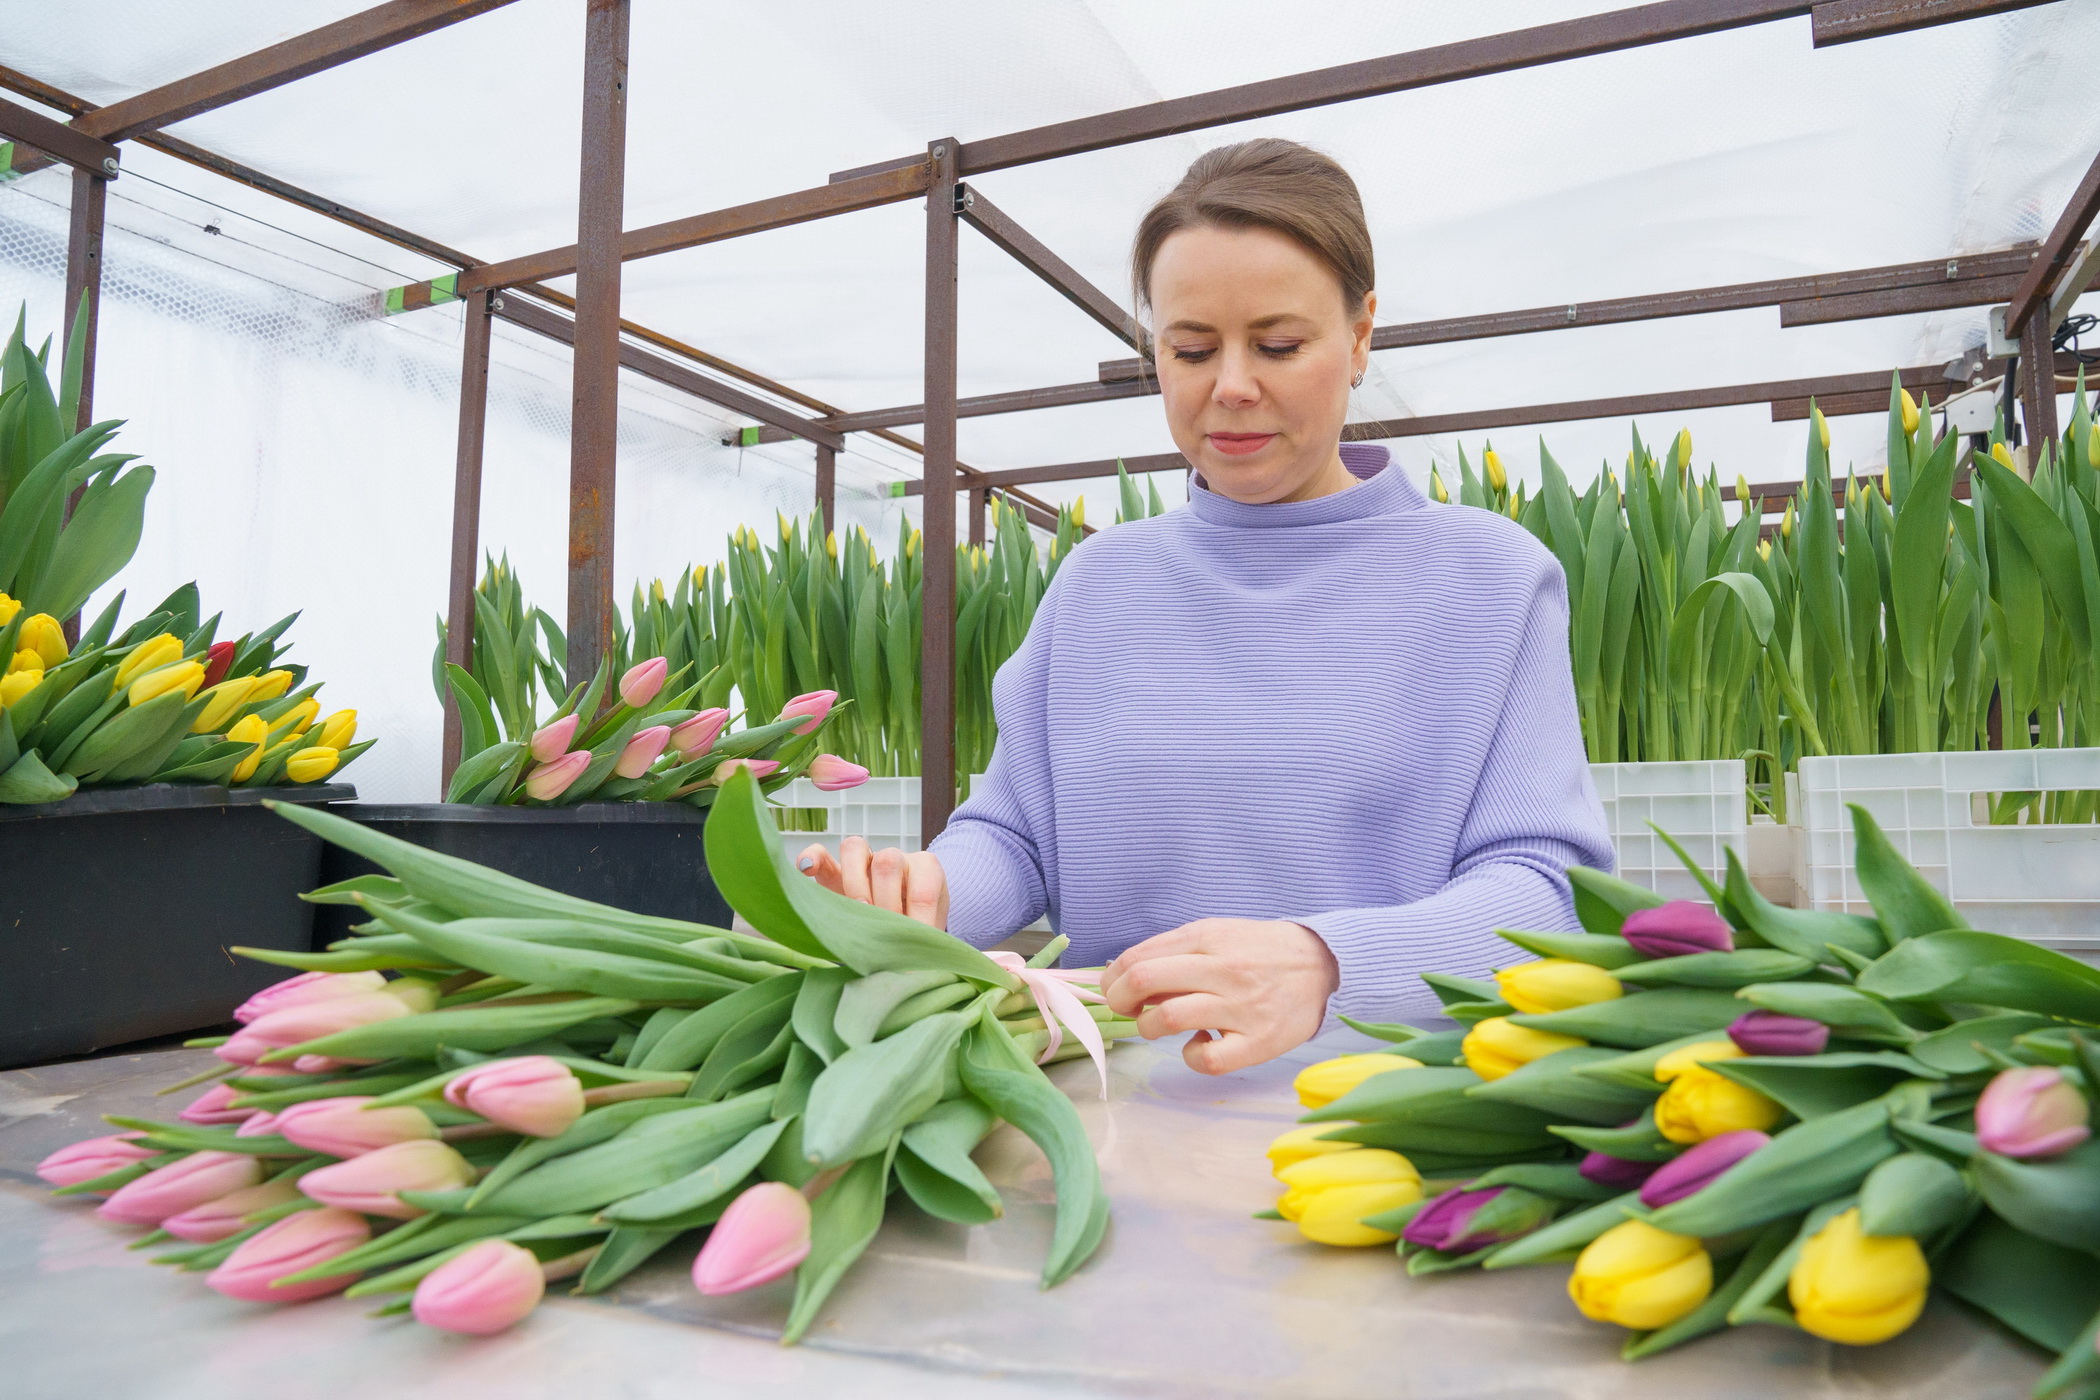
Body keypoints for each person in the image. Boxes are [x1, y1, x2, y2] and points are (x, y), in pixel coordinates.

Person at [797, 137, 1612, 1075]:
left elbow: (1551, 895)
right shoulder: (1098, 585)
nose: (1230, 385)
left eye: (1278, 344)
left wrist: (1330, 963)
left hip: (1387, 1109)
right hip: (1112, 1101)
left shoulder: (1488, 579)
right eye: (1190, 349)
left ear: (1361, 336)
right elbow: (1016, 835)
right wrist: (929, 890)